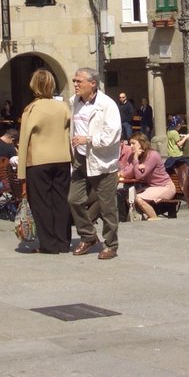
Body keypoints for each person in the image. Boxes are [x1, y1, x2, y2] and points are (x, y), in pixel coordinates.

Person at [17, 71, 73, 254]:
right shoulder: (63, 106)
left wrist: (21, 174)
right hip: (62, 158)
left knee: (42, 203)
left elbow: (24, 140)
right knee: (61, 201)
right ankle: (63, 241)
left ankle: (49, 244)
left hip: (38, 161)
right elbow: (69, 132)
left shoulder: (31, 109)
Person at [69, 67, 122, 259]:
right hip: (81, 159)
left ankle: (111, 245)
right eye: (74, 81)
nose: (75, 84)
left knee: (107, 206)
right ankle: (89, 236)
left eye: (78, 81)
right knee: (73, 199)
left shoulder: (107, 105)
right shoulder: (73, 101)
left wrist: (89, 139)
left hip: (102, 161)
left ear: (92, 83)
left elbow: (113, 134)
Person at [119, 133, 175, 221]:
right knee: (129, 197)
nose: (131, 146)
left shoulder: (152, 155)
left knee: (138, 198)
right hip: (153, 187)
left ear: (141, 143)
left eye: (133, 143)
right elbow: (127, 173)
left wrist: (135, 159)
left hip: (165, 187)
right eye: (130, 144)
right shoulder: (137, 156)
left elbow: (139, 177)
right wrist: (134, 165)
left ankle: (154, 217)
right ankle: (141, 216)